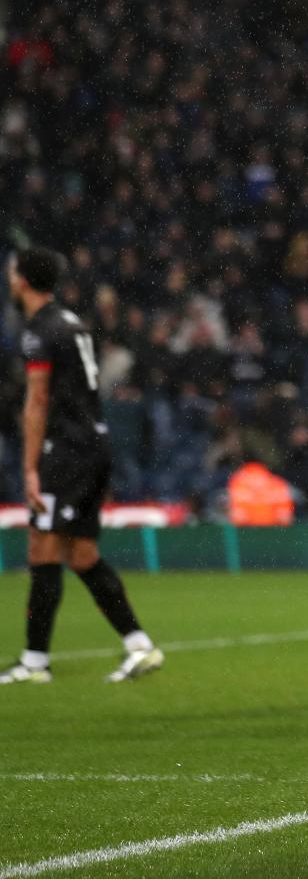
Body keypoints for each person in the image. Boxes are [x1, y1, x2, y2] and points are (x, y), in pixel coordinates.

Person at [2, 247, 164, 684]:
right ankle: (139, 646)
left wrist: (31, 468)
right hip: (94, 446)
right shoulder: (73, 323)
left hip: (66, 451)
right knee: (81, 553)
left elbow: (36, 401)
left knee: (43, 544)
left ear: (21, 281)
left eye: (11, 273)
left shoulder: (39, 332)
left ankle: (35, 663)